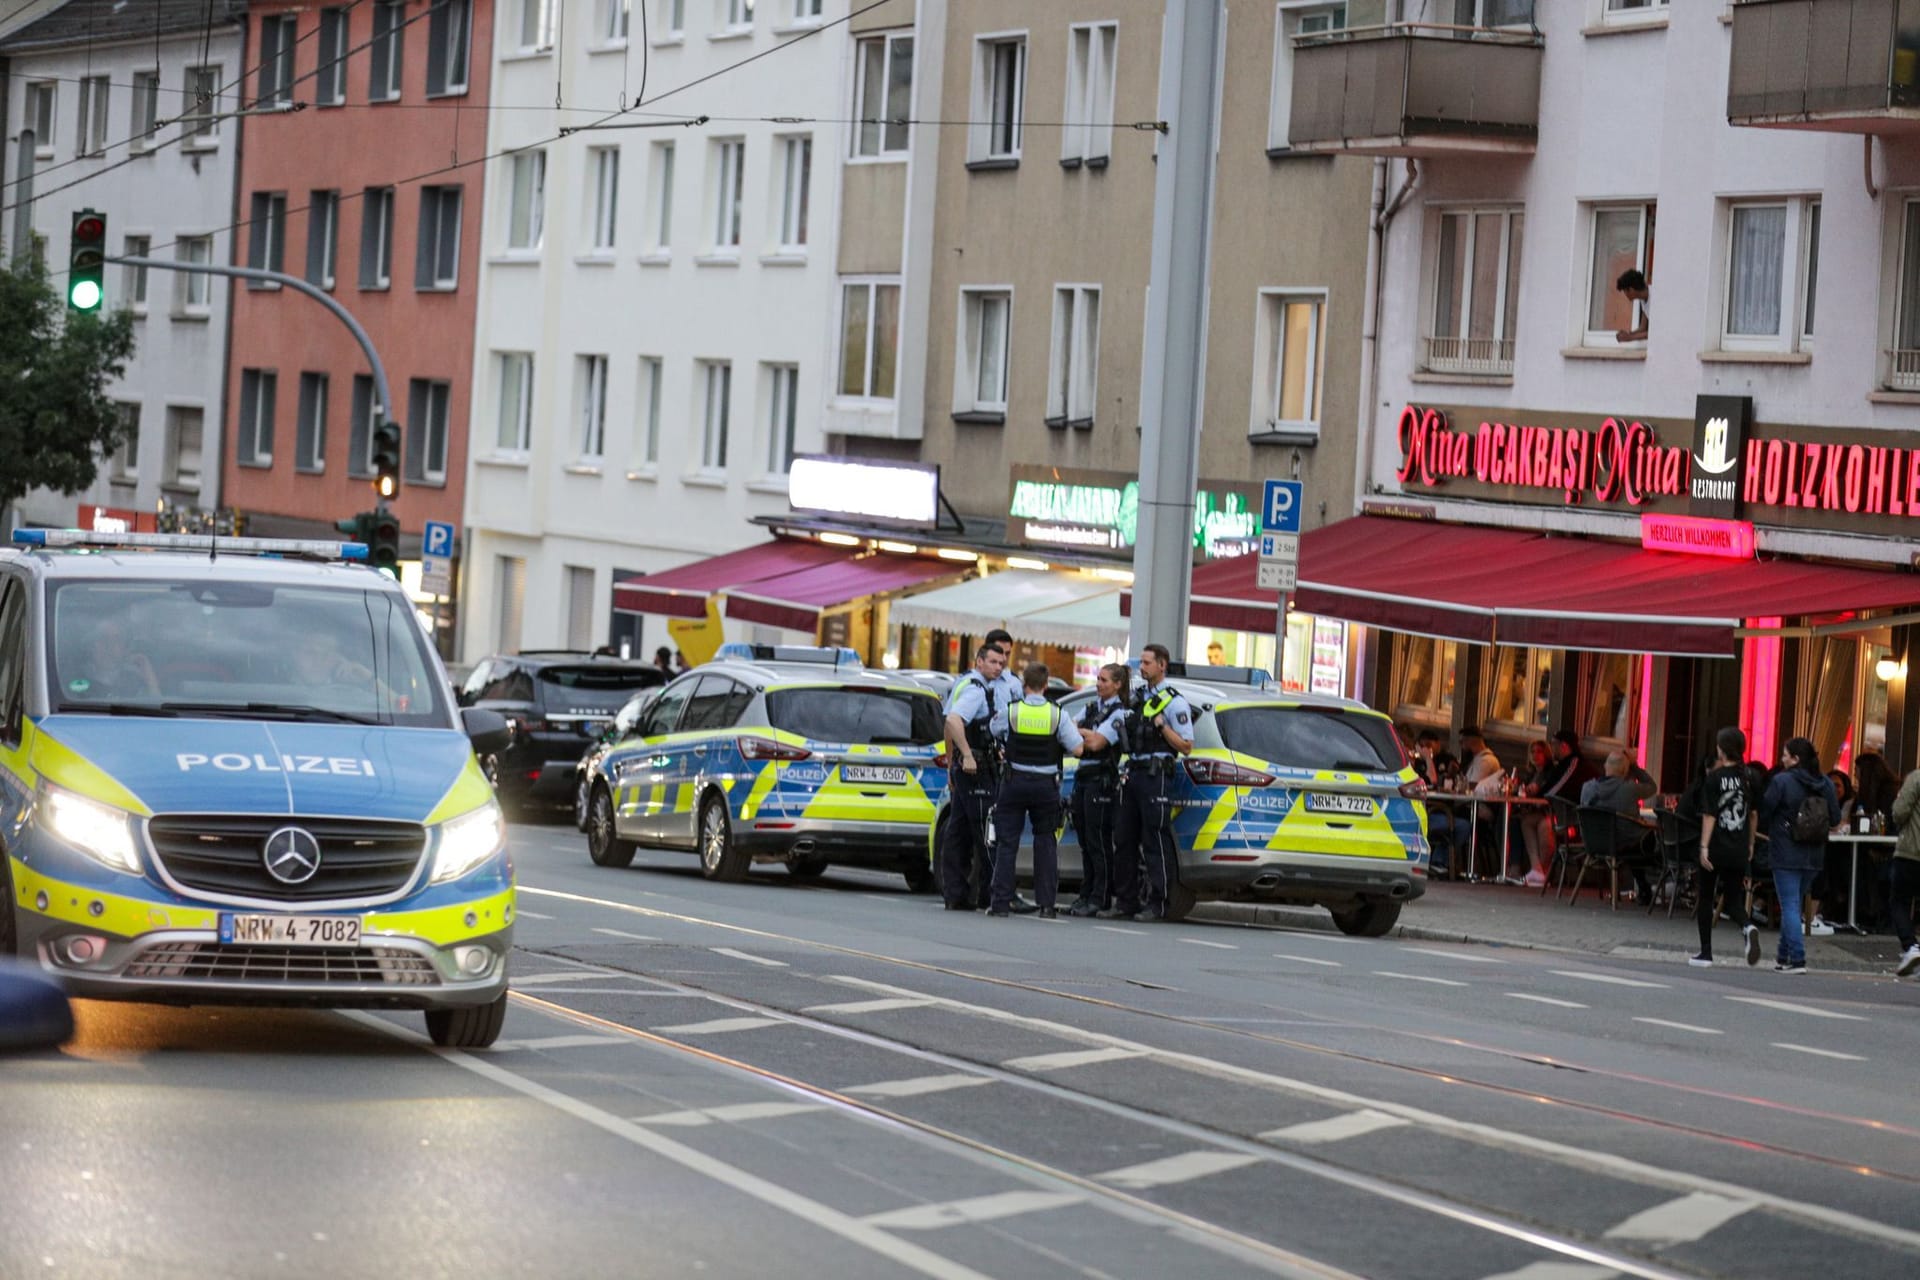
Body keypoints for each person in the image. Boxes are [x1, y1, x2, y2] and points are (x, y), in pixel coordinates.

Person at [1104, 643, 1193, 922]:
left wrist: (1162, 726)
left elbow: (1187, 746)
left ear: (1162, 665)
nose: (1142, 668)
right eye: (1141, 663)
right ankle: (1126, 901)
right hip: (1134, 774)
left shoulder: (1174, 702)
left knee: (1154, 839)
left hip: (1156, 776)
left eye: (1147, 663)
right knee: (1124, 839)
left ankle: (1159, 903)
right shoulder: (1138, 698)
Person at [988, 662, 1084, 918]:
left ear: (1023, 684)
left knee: (1007, 843)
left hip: (1014, 782)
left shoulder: (1012, 711)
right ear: (1046, 684)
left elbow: (993, 729)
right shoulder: (1057, 714)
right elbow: (1078, 748)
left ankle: (1000, 904)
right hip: (1045, 786)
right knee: (1046, 842)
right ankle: (1047, 905)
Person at [939, 642, 1014, 913]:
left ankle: (957, 893)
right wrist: (968, 756)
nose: (998, 666)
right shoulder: (975, 689)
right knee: (987, 831)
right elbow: (953, 721)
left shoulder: (978, 685)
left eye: (1001, 662)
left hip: (971, 768)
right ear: (979, 661)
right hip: (976, 770)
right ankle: (989, 893)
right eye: (993, 661)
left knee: (958, 830)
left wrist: (954, 763)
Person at [1758, 737, 1840, 974]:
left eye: (1785, 755)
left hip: (1785, 850)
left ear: (1795, 759)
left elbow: (1765, 811)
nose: (1782, 759)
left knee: (1790, 906)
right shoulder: (1825, 783)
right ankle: (1783, 957)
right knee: (1793, 905)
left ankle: (1797, 958)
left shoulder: (1782, 781)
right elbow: (1834, 818)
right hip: (1814, 854)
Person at [1683, 728, 1763, 969]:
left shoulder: (1714, 778)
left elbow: (1710, 814)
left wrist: (1704, 846)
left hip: (1716, 844)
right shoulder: (1752, 777)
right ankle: (1747, 926)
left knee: (1706, 897)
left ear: (1720, 749)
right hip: (1739, 847)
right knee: (1733, 899)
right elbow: (1753, 814)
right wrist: (1750, 843)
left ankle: (1705, 953)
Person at [1067, 664, 1130, 917]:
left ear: (1117, 685)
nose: (1099, 683)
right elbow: (1066, 729)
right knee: (1084, 839)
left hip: (1102, 780)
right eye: (1098, 679)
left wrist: (1078, 733)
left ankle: (1100, 897)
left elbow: (1096, 742)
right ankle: (1086, 894)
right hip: (1083, 777)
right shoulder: (1093, 707)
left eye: (1104, 680)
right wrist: (1080, 733)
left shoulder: (1120, 713)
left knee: (1098, 841)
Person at [1581, 750, 1659, 902]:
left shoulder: (1587, 788)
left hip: (1593, 843)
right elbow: (1652, 787)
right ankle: (1645, 886)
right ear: (1625, 770)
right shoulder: (1629, 788)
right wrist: (1635, 767)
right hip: (1623, 843)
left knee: (1631, 836)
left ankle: (1634, 888)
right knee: (1645, 838)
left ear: (1605, 766)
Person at [1884, 761, 1920, 977]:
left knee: (1899, 900)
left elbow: (1899, 811)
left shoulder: (1916, 778)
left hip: (1912, 850)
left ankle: (1911, 946)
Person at [84, 616, 160, 699]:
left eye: (115, 640)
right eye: (102, 638)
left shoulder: (134, 678)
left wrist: (148, 675)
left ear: (125, 648)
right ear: (91, 645)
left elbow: (155, 705)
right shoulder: (77, 676)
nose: (109, 646)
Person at [1615, 268, 1650, 342]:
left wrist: (1630, 338)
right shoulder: (1643, 299)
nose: (1625, 295)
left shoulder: (1656, 298)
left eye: (1624, 291)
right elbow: (1642, 328)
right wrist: (1628, 334)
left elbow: (1654, 333)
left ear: (1631, 290)